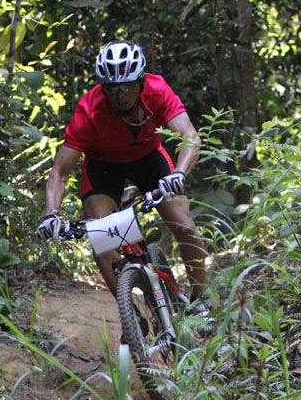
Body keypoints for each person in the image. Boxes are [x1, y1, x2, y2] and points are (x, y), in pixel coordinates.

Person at [37, 40, 209, 313]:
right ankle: (133, 319)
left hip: (150, 159)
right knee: (103, 240)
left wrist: (179, 173)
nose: (120, 94)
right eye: (111, 88)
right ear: (102, 87)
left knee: (185, 225)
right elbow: (59, 171)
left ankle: (202, 301)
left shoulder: (158, 91)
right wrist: (50, 215)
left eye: (127, 86)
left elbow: (190, 137)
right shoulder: (89, 110)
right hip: (104, 168)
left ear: (141, 81)